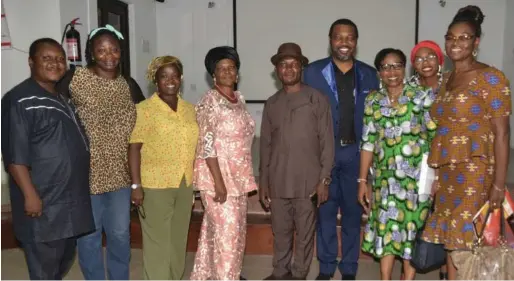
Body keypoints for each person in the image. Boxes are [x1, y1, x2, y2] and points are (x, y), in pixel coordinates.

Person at [421, 6, 512, 280]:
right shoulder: (447, 79)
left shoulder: (492, 78)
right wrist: (436, 175)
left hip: (476, 170)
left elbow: (502, 134)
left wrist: (498, 183)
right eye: (450, 37)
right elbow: (443, 129)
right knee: (452, 238)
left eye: (464, 37)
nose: (455, 43)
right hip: (448, 173)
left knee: (465, 237)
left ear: (476, 42)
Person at [1, 38, 94, 280]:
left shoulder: (62, 98)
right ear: (31, 62)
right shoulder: (19, 99)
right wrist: (30, 196)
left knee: (62, 261)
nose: (55, 63)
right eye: (47, 58)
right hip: (44, 203)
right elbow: (14, 155)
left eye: (60, 58)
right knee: (44, 267)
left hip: (70, 202)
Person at [58, 25, 137, 280]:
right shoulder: (75, 79)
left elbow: (145, 125)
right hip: (85, 173)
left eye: (114, 49)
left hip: (121, 173)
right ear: (91, 52)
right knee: (89, 235)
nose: (109, 55)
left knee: (120, 234)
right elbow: (54, 115)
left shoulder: (128, 84)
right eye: (102, 50)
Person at [303, 18, 379, 280]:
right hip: (323, 153)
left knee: (352, 213)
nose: (344, 42)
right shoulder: (311, 73)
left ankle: (349, 268)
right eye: (339, 37)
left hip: (356, 154)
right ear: (330, 40)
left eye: (350, 37)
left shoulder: (370, 74)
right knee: (324, 211)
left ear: (356, 41)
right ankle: (325, 267)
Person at [358, 48, 436, 280]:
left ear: (405, 68)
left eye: (397, 65)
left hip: (416, 181)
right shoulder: (373, 100)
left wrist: (437, 178)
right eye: (386, 66)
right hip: (385, 181)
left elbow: (435, 139)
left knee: (411, 230)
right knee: (387, 229)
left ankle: (407, 278)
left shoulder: (422, 96)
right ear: (379, 72)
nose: (392, 71)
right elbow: (368, 143)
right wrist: (363, 181)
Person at [260, 43, 334, 280]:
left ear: (301, 67)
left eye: (294, 64)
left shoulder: (317, 99)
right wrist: (263, 183)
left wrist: (324, 179)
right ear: (277, 70)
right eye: (283, 64)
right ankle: (280, 272)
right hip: (279, 180)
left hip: (308, 182)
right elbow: (266, 146)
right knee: (280, 231)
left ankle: (300, 274)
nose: (289, 69)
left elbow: (327, 142)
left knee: (304, 234)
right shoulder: (271, 103)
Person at [190, 46, 258, 280]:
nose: (228, 72)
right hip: (218, 181)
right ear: (213, 75)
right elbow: (206, 145)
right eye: (221, 68)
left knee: (221, 237)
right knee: (228, 240)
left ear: (237, 74)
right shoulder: (210, 102)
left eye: (232, 68)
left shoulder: (237, 99)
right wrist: (219, 184)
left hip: (237, 179)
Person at [128, 56, 199, 280]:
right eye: (164, 76)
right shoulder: (144, 109)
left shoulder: (190, 109)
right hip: (154, 185)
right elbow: (134, 149)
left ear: (181, 79)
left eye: (175, 76)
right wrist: (136, 185)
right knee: (158, 244)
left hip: (184, 184)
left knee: (178, 241)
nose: (170, 80)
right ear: (155, 80)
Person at [407, 40, 449, 280]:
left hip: (447, 159)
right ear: (413, 65)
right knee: (417, 215)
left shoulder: (452, 86)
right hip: (417, 162)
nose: (426, 62)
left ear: (440, 61)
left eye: (431, 57)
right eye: (419, 59)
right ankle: (409, 273)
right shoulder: (408, 89)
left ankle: (445, 270)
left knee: (443, 214)